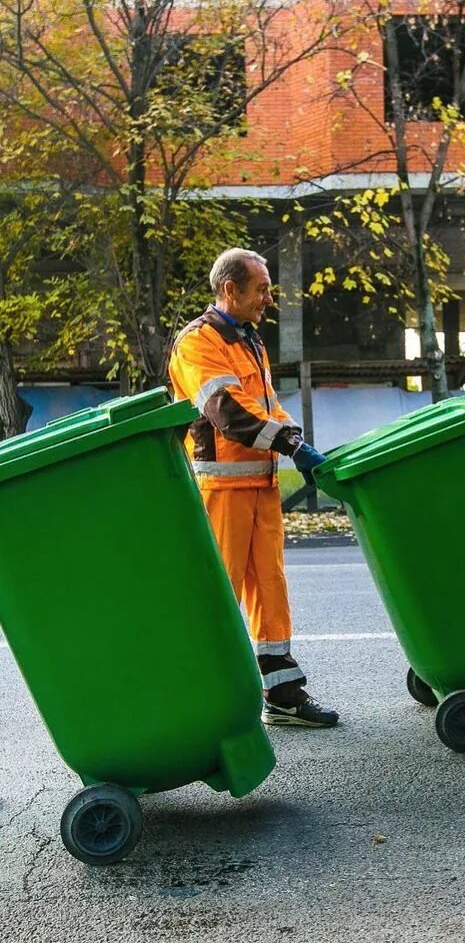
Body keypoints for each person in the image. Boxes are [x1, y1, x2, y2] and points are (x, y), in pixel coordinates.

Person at [169, 247, 339, 728]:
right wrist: (290, 444)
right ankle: (198, 698)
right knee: (217, 597)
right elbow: (226, 410)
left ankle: (283, 694)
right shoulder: (197, 343)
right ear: (230, 290)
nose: (268, 297)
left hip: (259, 486)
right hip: (220, 491)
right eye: (261, 288)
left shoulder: (250, 341)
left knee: (270, 589)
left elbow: (266, 407)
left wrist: (298, 441)